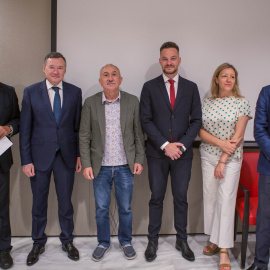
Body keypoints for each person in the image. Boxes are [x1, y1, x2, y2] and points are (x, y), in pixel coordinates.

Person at [140, 41, 202, 262]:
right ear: (160, 61)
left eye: (173, 58)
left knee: (181, 198)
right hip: (157, 154)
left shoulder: (191, 87)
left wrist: (181, 146)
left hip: (183, 155)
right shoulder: (149, 87)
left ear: (179, 60)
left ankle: (181, 240)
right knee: (156, 197)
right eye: (165, 58)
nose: (169, 62)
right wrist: (166, 146)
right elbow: (145, 120)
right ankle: (153, 240)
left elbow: (196, 122)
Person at [20, 52, 82, 266]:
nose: (56, 71)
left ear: (65, 69)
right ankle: (38, 242)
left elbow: (76, 128)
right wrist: (26, 160)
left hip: (65, 157)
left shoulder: (75, 92)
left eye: (60, 67)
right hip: (38, 158)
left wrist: (78, 155)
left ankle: (67, 241)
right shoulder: (30, 92)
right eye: (52, 67)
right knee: (38, 204)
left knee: (66, 203)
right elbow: (25, 130)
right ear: (44, 68)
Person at [79, 64, 145, 262]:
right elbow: (84, 136)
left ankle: (126, 241)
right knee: (101, 208)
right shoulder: (90, 103)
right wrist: (86, 163)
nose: (110, 78)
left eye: (114, 74)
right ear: (100, 81)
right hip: (101, 167)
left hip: (126, 165)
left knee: (125, 207)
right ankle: (103, 242)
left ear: (120, 79)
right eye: (105, 75)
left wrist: (139, 159)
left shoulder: (132, 101)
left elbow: (138, 134)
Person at [199, 63, 252, 270]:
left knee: (226, 200)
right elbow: (200, 131)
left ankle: (224, 249)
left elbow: (238, 137)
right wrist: (219, 144)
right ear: (217, 79)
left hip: (230, 159)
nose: (228, 80)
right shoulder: (207, 103)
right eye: (224, 76)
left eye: (232, 76)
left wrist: (222, 158)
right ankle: (214, 239)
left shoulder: (242, 103)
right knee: (210, 198)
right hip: (207, 155)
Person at [246, 85, 270, 270]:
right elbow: (260, 130)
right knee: (265, 218)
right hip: (269, 167)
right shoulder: (266, 92)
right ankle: (261, 263)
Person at [0, 82, 20, 269]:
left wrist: (7, 129)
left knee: (2, 206)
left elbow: (17, 120)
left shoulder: (8, 91)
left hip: (1, 158)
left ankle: (3, 249)